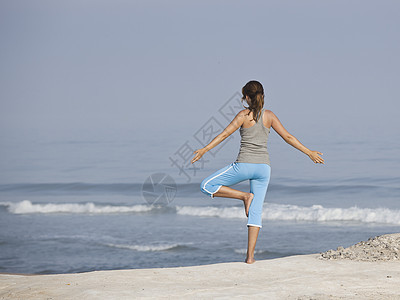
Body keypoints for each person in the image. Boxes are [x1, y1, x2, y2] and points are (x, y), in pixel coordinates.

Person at [191, 80, 324, 264]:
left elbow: (223, 135)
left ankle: (244, 197)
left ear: (246, 97)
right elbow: (288, 137)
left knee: (206, 185)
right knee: (256, 212)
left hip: (244, 165)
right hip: (264, 169)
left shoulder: (243, 116)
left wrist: (204, 150)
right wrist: (309, 152)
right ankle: (250, 258)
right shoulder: (269, 116)